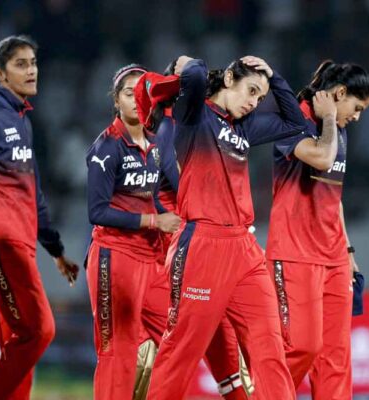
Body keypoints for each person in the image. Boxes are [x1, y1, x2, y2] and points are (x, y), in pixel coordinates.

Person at [147, 55, 307, 400]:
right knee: (182, 350)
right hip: (202, 245)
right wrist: (191, 62)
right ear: (230, 77)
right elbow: (194, 74)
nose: (254, 102)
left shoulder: (243, 128)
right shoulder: (193, 114)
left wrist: (273, 76)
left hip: (244, 250)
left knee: (269, 349)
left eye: (260, 97)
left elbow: (296, 124)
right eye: (251, 90)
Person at [0, 35, 79, 400]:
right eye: (21, 64)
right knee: (39, 331)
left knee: (18, 341)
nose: (31, 71)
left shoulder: (22, 121)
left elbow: (32, 192)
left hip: (21, 243)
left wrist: (55, 250)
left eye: (33, 63)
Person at [133, 65, 252, 400]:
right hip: (188, 249)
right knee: (196, 344)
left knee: (218, 346)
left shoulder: (167, 127)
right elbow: (183, 182)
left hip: (187, 246)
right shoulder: (174, 126)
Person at [265, 60, 369, 398]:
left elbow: (332, 194)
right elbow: (323, 158)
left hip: (334, 256)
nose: (357, 117)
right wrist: (327, 118)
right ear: (339, 93)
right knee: (302, 346)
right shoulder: (294, 120)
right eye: (357, 108)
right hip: (295, 252)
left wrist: (348, 250)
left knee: (335, 357)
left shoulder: (338, 129)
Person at [85, 64, 181, 400]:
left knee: (179, 332)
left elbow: (157, 196)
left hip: (151, 261)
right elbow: (97, 212)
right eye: (130, 93)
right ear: (116, 101)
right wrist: (155, 222)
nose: (138, 100)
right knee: (118, 353)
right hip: (115, 257)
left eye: (144, 94)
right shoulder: (106, 147)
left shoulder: (155, 146)